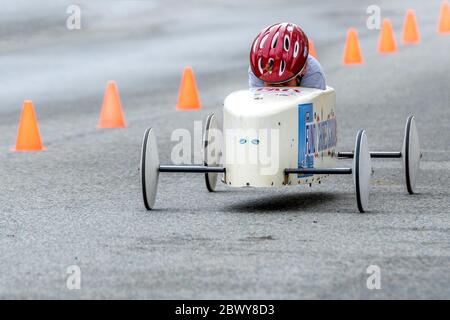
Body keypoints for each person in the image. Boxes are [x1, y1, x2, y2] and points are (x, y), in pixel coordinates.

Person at [249, 22, 326, 90]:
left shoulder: (313, 73)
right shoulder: (257, 71)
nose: (279, 89)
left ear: (301, 72)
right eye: (272, 84)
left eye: (285, 84)